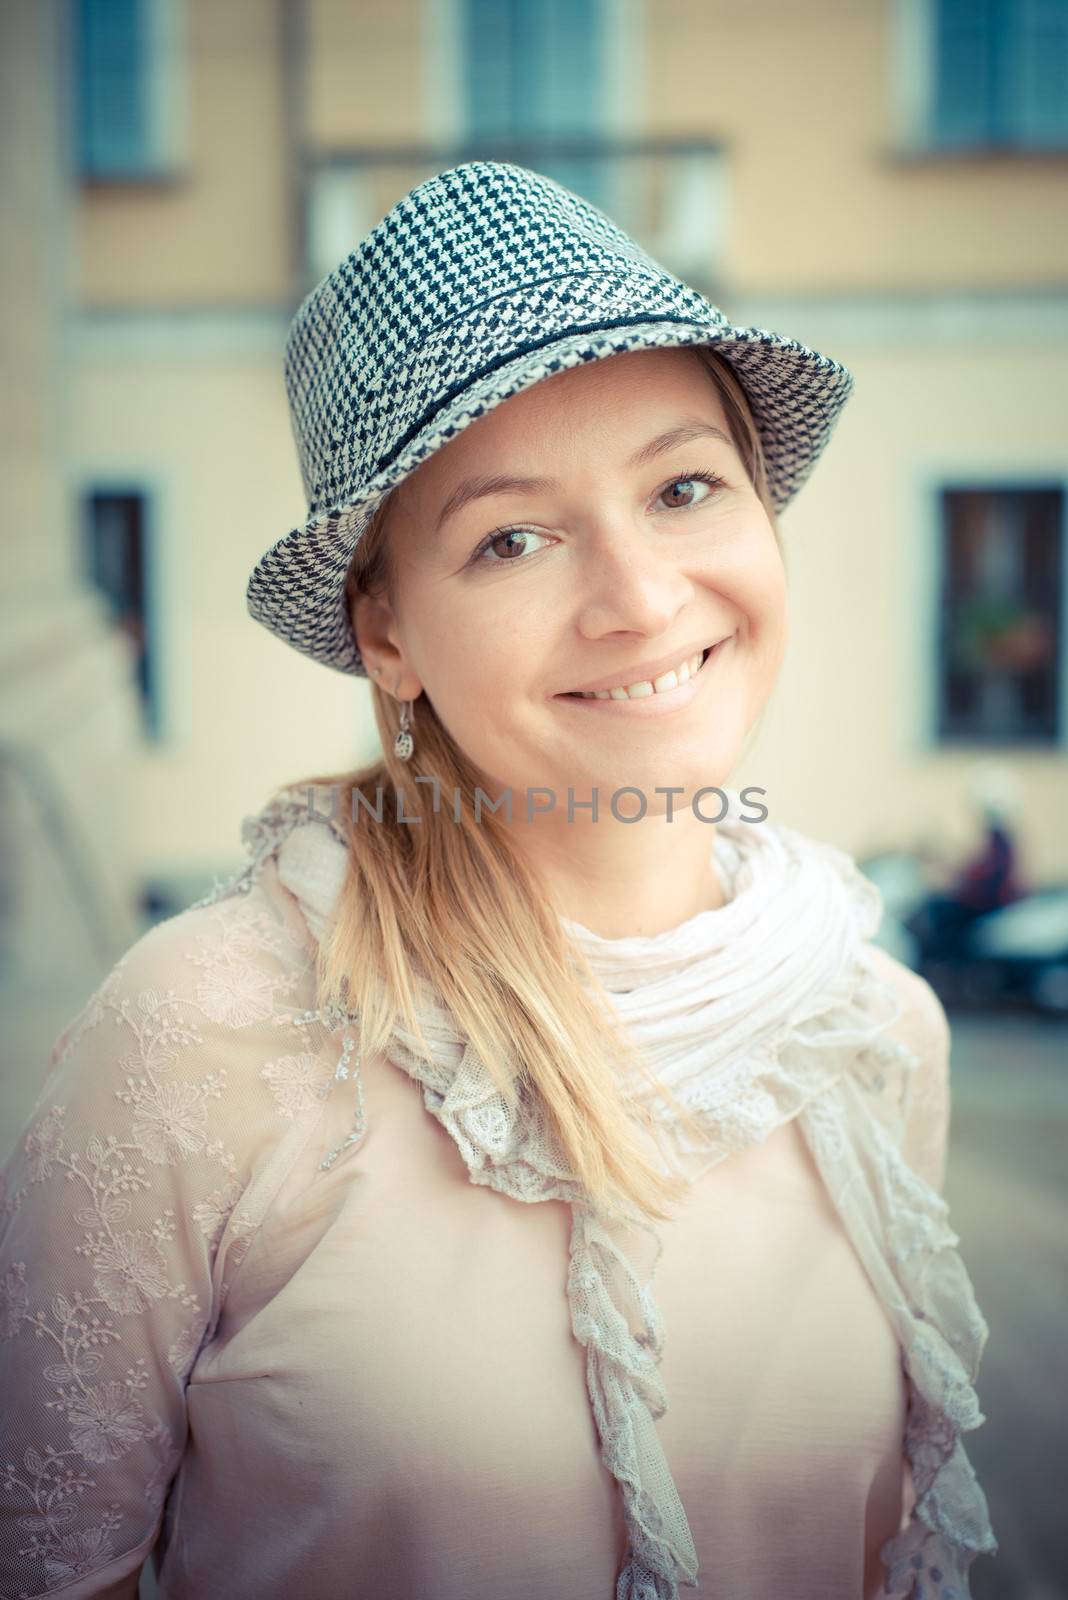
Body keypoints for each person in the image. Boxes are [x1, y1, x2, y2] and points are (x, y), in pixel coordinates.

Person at [0, 162, 997, 1599]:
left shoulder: (876, 1034)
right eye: (512, 537)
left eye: (684, 487)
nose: (642, 600)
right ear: (388, 634)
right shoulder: (208, 1032)